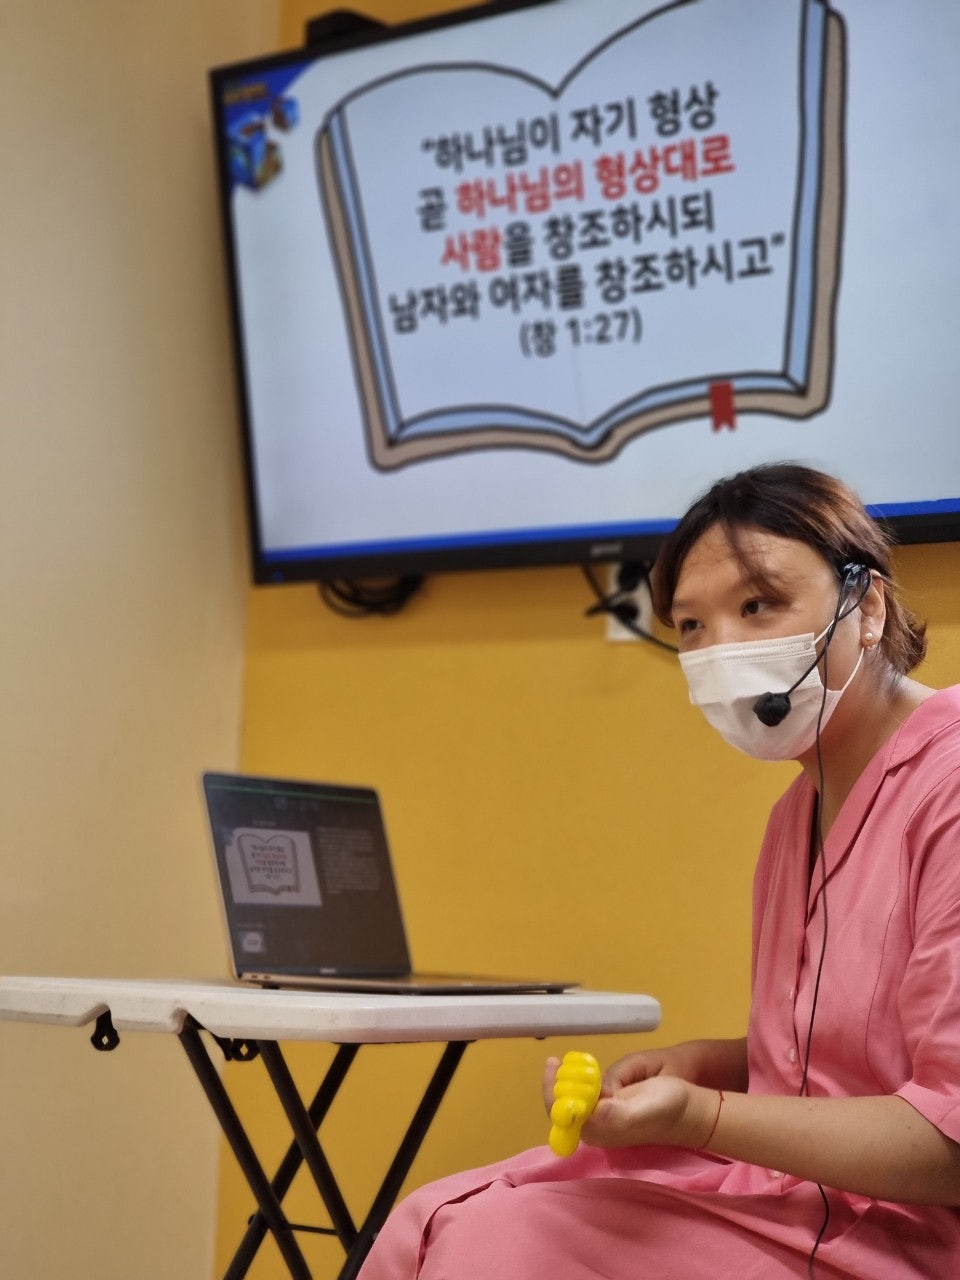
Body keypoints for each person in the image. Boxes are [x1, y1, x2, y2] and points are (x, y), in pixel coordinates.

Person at [358, 463, 960, 1279]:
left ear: (870, 606)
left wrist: (702, 1116)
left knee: (499, 1248)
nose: (724, 649)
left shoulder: (948, 788)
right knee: (436, 1220)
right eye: (691, 626)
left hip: (903, 1241)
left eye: (759, 605)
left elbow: (948, 1140)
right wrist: (702, 1065)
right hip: (792, 1201)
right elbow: (837, 1056)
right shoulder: (798, 816)